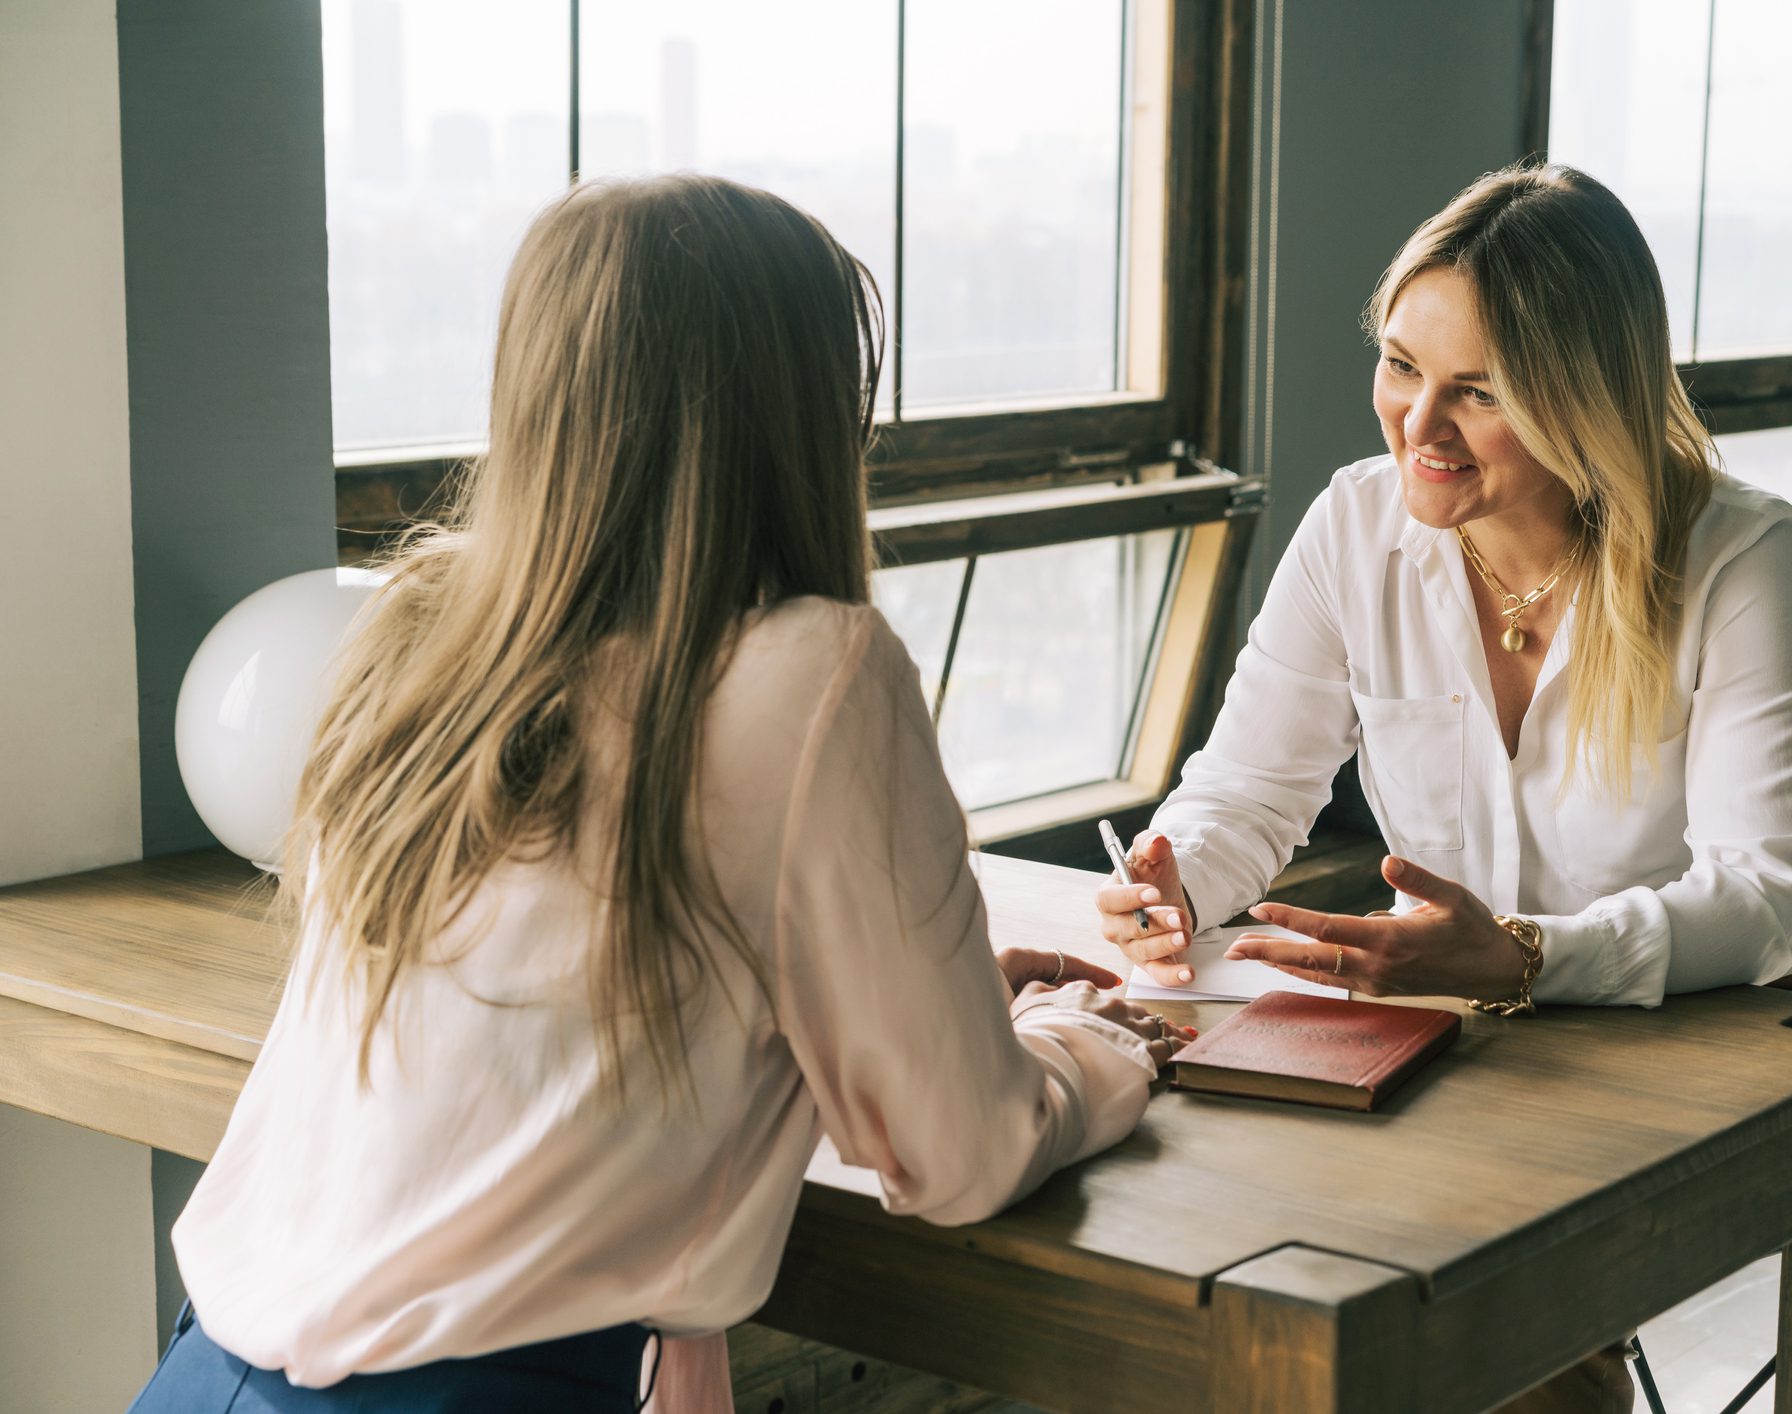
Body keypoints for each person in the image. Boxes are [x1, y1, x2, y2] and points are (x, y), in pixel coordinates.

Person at [130, 174, 1183, 1414]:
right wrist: (1087, 1053)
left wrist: (921, 1006)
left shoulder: (418, 639)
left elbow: (590, 1044)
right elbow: (963, 1158)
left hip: (202, 1379)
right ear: (798, 417)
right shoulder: (813, 668)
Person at [1095, 163, 1792, 1414]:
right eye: (1403, 366)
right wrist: (1178, 871)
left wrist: (1519, 957)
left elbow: (1771, 894)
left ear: (1582, 401)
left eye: (1478, 393)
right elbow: (1244, 789)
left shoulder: (1738, 552)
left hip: (1736, 1023)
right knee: (1249, 1252)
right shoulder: (1356, 527)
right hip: (1476, 1022)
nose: (1417, 425)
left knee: (1492, 1341)